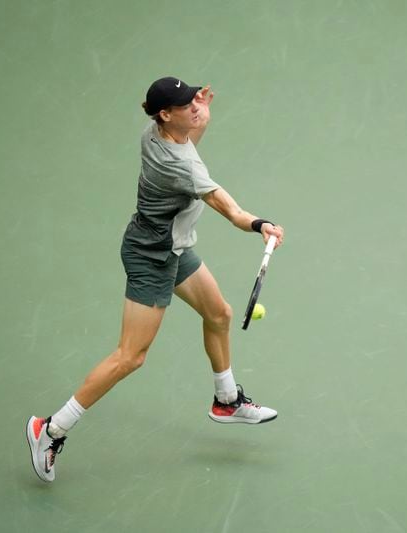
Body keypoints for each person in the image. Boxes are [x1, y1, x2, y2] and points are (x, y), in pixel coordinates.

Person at [26, 77, 285, 483]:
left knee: (219, 313)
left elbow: (192, 133)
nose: (195, 108)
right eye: (186, 105)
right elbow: (228, 209)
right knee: (130, 356)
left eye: (194, 99)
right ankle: (51, 429)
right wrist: (260, 224)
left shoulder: (158, 132)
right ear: (166, 114)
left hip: (172, 246)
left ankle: (226, 400)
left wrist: (202, 111)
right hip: (153, 257)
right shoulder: (177, 165)